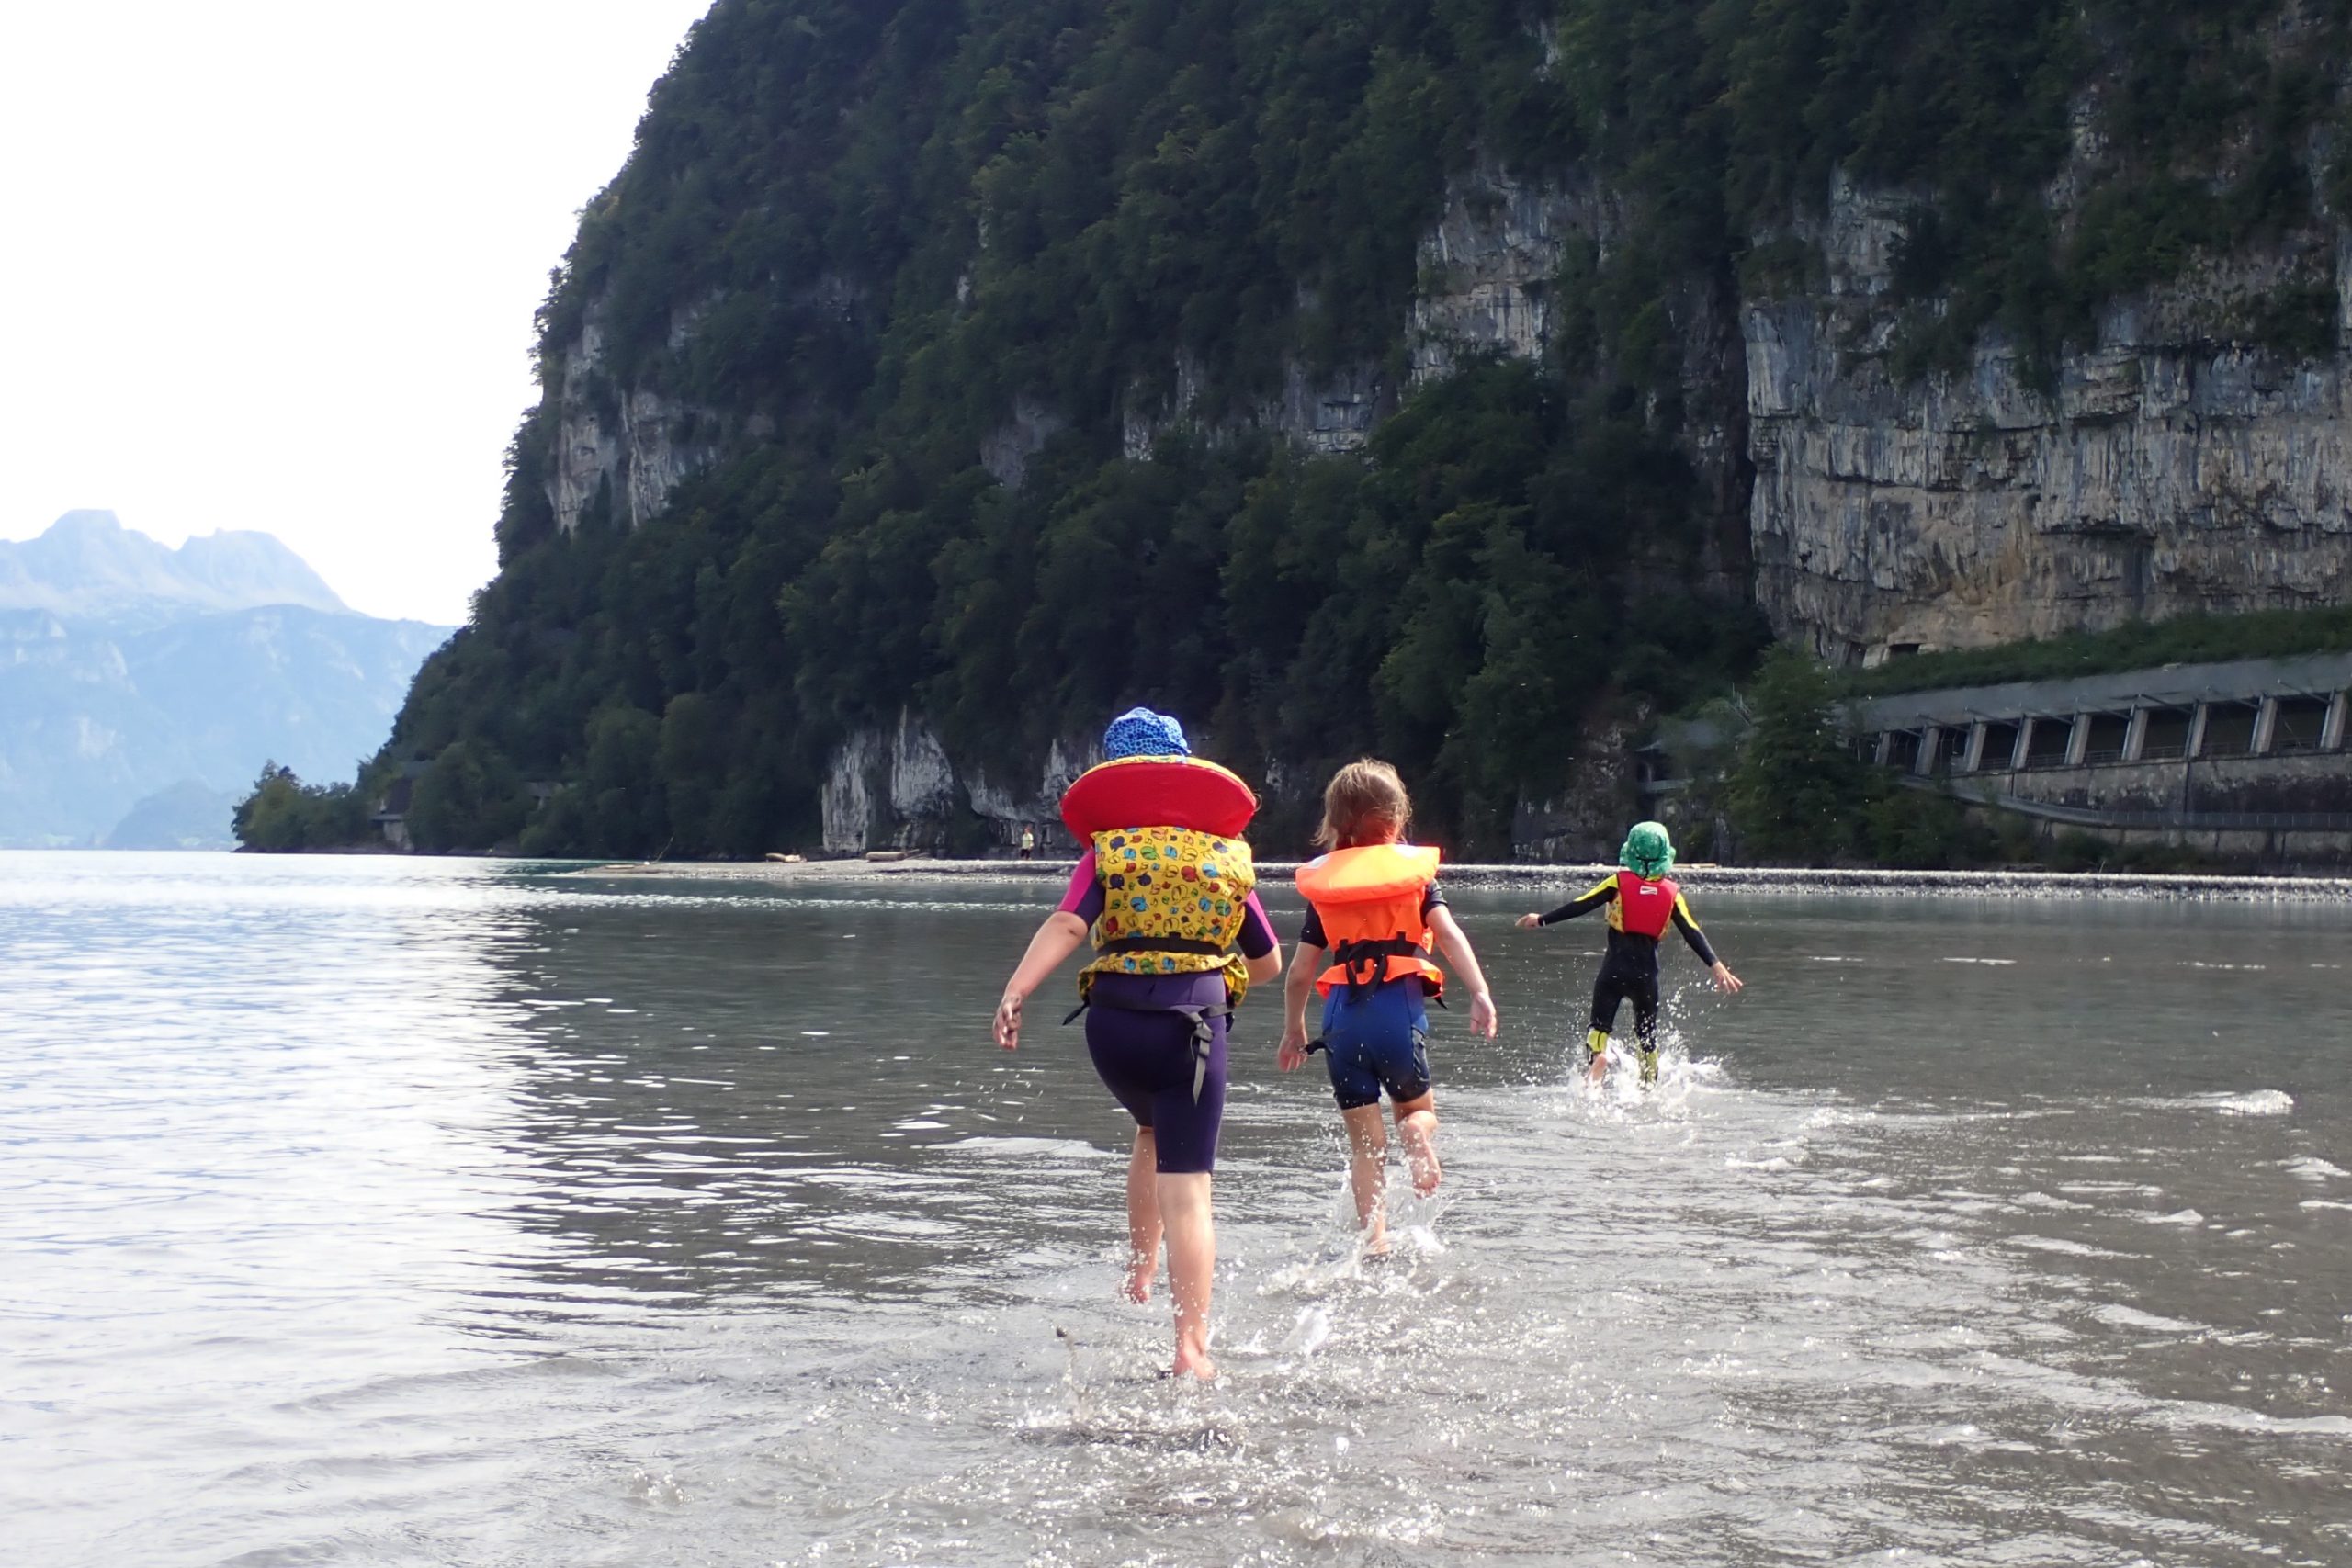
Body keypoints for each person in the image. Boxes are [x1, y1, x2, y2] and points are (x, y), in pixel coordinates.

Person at [994, 708, 1280, 1380]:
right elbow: (1267, 963)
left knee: (1149, 1128)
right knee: (1190, 1188)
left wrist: (1016, 991)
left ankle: (1141, 1265)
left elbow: (1068, 926)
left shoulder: (1110, 852)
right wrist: (1217, 971)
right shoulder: (1226, 859)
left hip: (1114, 1031)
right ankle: (1191, 1348)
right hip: (1193, 1031)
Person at [1277, 760, 1497, 1253]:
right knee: (1417, 1113)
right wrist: (1480, 992)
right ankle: (1417, 1138)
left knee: (1365, 1147)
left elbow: (1298, 973)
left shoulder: (1326, 891)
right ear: (1398, 820)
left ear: (1335, 824)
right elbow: (1448, 935)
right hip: (1398, 1015)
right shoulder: (1416, 881)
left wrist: (1294, 1030)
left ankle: (1375, 1241)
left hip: (1342, 1025)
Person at [1515, 819, 1743, 1088]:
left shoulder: (1617, 883)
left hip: (1613, 971)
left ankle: (1599, 1060)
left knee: (1598, 1029)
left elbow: (1580, 905)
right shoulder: (1672, 894)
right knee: (1647, 1038)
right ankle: (1648, 1089)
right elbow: (1692, 931)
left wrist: (1541, 919)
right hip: (1646, 977)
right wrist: (1716, 965)